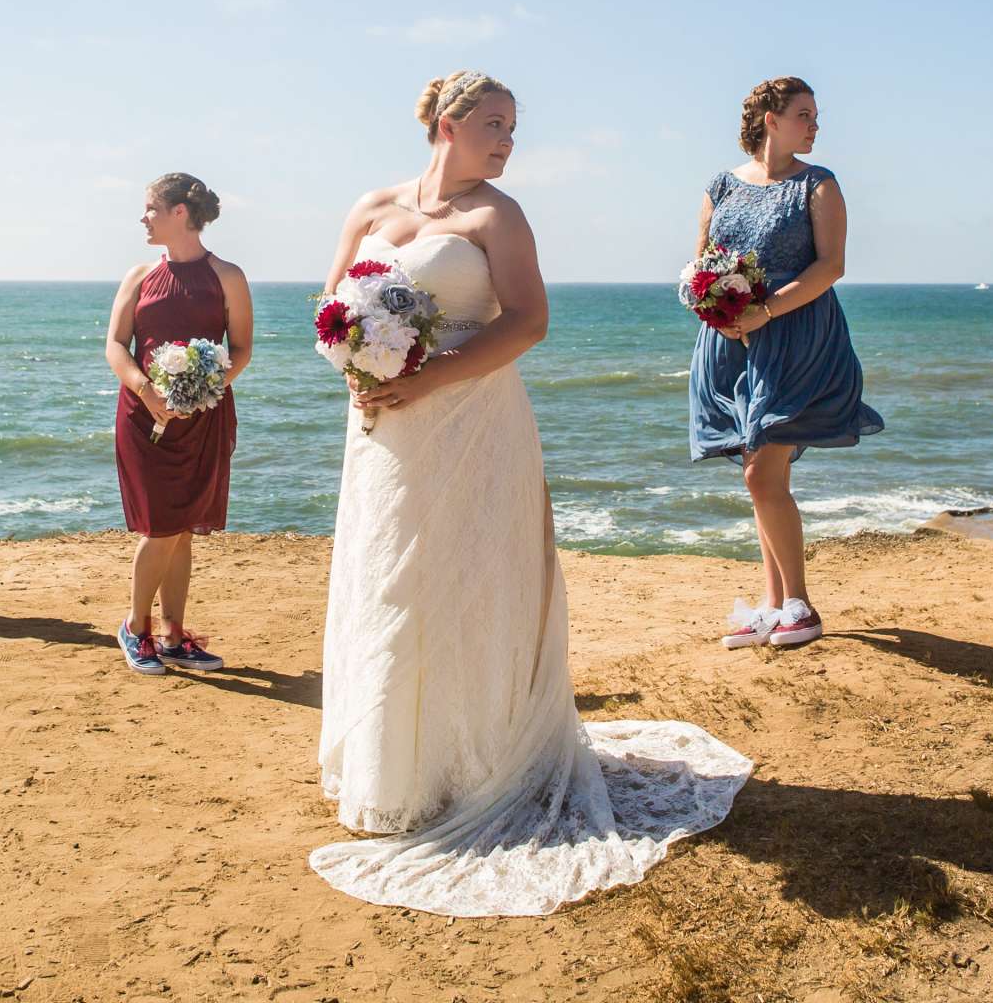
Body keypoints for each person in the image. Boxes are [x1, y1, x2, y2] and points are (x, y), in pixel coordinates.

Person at [311, 70, 751, 916]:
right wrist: (361, 366)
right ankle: (397, 766)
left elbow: (528, 322)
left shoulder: (497, 216)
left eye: (514, 127)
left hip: (472, 423)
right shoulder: (371, 206)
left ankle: (476, 763)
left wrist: (429, 375)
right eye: (493, 124)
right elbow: (333, 305)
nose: (508, 140)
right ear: (446, 123)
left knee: (471, 580)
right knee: (391, 582)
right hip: (385, 429)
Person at [687, 76, 884, 649]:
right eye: (805, 114)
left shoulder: (818, 185)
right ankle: (771, 605)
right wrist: (716, 310)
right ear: (770, 120)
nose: (816, 125)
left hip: (797, 335)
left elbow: (831, 266)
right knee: (760, 472)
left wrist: (765, 312)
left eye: (816, 115)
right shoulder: (721, 185)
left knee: (761, 472)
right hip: (731, 339)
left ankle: (801, 605)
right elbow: (700, 262)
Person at [102, 173, 252, 675]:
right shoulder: (139, 276)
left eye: (150, 209)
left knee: (182, 528)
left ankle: (171, 634)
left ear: (179, 213)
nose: (142, 218)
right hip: (141, 417)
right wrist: (146, 390)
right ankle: (135, 626)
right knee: (161, 525)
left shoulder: (228, 276)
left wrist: (205, 389)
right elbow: (116, 345)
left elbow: (242, 349)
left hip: (202, 418)